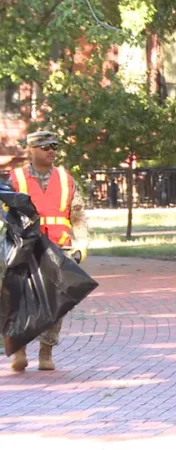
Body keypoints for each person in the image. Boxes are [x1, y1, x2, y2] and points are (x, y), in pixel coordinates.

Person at [7, 130, 90, 372]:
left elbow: (78, 215)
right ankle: (20, 351)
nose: (51, 150)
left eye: (54, 145)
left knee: (56, 303)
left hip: (58, 247)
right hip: (24, 248)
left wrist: (81, 243)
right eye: (45, 147)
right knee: (19, 301)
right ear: (31, 150)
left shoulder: (66, 179)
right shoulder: (15, 179)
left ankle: (46, 351)